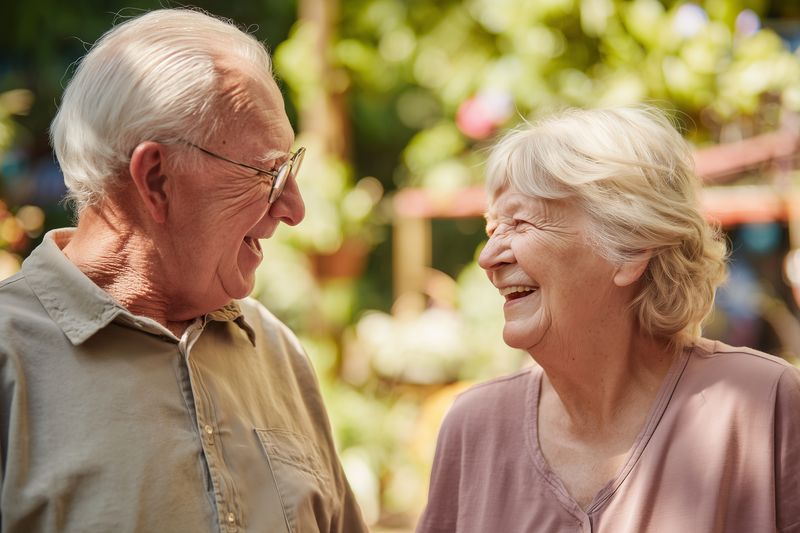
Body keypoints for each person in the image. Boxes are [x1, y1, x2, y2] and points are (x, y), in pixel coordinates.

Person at [0, 9, 368, 533]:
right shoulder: (10, 360)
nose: (294, 207)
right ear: (155, 179)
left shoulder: (277, 351)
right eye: (268, 172)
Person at [416, 106, 800, 532]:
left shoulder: (760, 404)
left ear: (630, 247)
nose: (488, 258)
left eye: (520, 223)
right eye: (492, 230)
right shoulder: (474, 428)